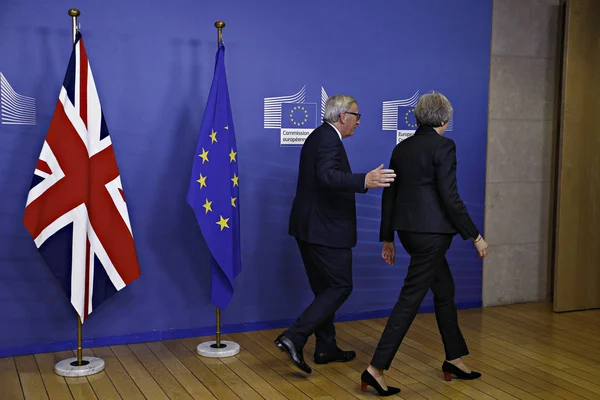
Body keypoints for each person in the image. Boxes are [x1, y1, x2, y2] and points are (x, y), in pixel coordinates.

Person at [360, 92, 489, 396]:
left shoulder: (401, 148)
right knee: (410, 298)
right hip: (432, 236)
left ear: (418, 118)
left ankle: (454, 359)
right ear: (444, 120)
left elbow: (390, 195)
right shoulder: (445, 146)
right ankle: (375, 369)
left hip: (408, 233)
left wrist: (388, 237)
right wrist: (475, 235)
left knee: (444, 290)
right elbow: (450, 197)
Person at [274, 94, 396, 374]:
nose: (358, 122)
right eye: (357, 116)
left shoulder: (320, 137)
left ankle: (326, 347)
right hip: (325, 229)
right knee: (340, 287)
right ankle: (295, 336)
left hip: (310, 228)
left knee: (324, 289)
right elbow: (327, 177)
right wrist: (363, 180)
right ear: (343, 116)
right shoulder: (328, 139)